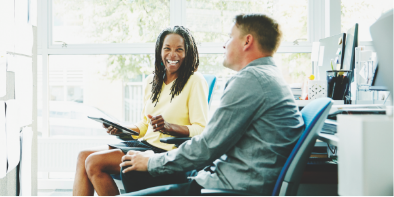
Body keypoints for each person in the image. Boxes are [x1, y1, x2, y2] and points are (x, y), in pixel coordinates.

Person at [119, 13, 305, 196]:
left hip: (226, 188)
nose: (225, 44)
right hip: (232, 179)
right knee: (134, 171)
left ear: (247, 41)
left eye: (230, 37)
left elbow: (207, 146)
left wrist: (152, 162)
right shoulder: (268, 76)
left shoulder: (250, 80)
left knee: (134, 174)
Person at [72, 26, 209, 197]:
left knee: (93, 162)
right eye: (167, 48)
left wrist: (170, 127)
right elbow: (145, 124)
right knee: (82, 156)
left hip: (165, 150)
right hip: (145, 144)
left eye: (179, 50)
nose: (172, 55)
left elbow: (201, 128)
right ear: (160, 51)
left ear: (187, 53)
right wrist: (123, 130)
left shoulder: (195, 81)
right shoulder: (151, 81)